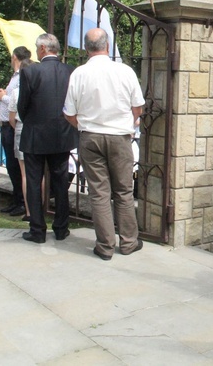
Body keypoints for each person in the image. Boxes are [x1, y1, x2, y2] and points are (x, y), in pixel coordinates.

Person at [63, 28, 144, 259]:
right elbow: (137, 106)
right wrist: (130, 120)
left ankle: (105, 246)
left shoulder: (79, 73)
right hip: (120, 136)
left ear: (87, 48)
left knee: (99, 193)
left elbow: (69, 113)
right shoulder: (124, 71)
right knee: (124, 191)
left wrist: (86, 125)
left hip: (90, 136)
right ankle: (128, 242)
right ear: (107, 46)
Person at [18, 33, 78, 244]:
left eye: (37, 48)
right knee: (61, 182)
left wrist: (32, 122)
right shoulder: (70, 71)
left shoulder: (30, 71)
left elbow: (22, 105)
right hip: (62, 134)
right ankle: (61, 227)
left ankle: (37, 229)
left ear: (43, 49)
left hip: (36, 134)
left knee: (34, 183)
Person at [0, 46, 31, 216]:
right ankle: (16, 198)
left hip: (13, 125)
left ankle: (22, 202)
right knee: (11, 165)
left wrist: (3, 97)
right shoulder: (15, 76)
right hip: (7, 124)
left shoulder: (22, 76)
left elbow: (19, 99)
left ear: (14, 57)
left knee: (16, 166)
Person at [8, 58, 33, 221]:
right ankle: (39, 207)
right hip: (37, 129)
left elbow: (11, 118)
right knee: (38, 173)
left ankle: (30, 211)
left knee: (25, 174)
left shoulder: (17, 92)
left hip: (21, 128)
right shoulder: (40, 89)